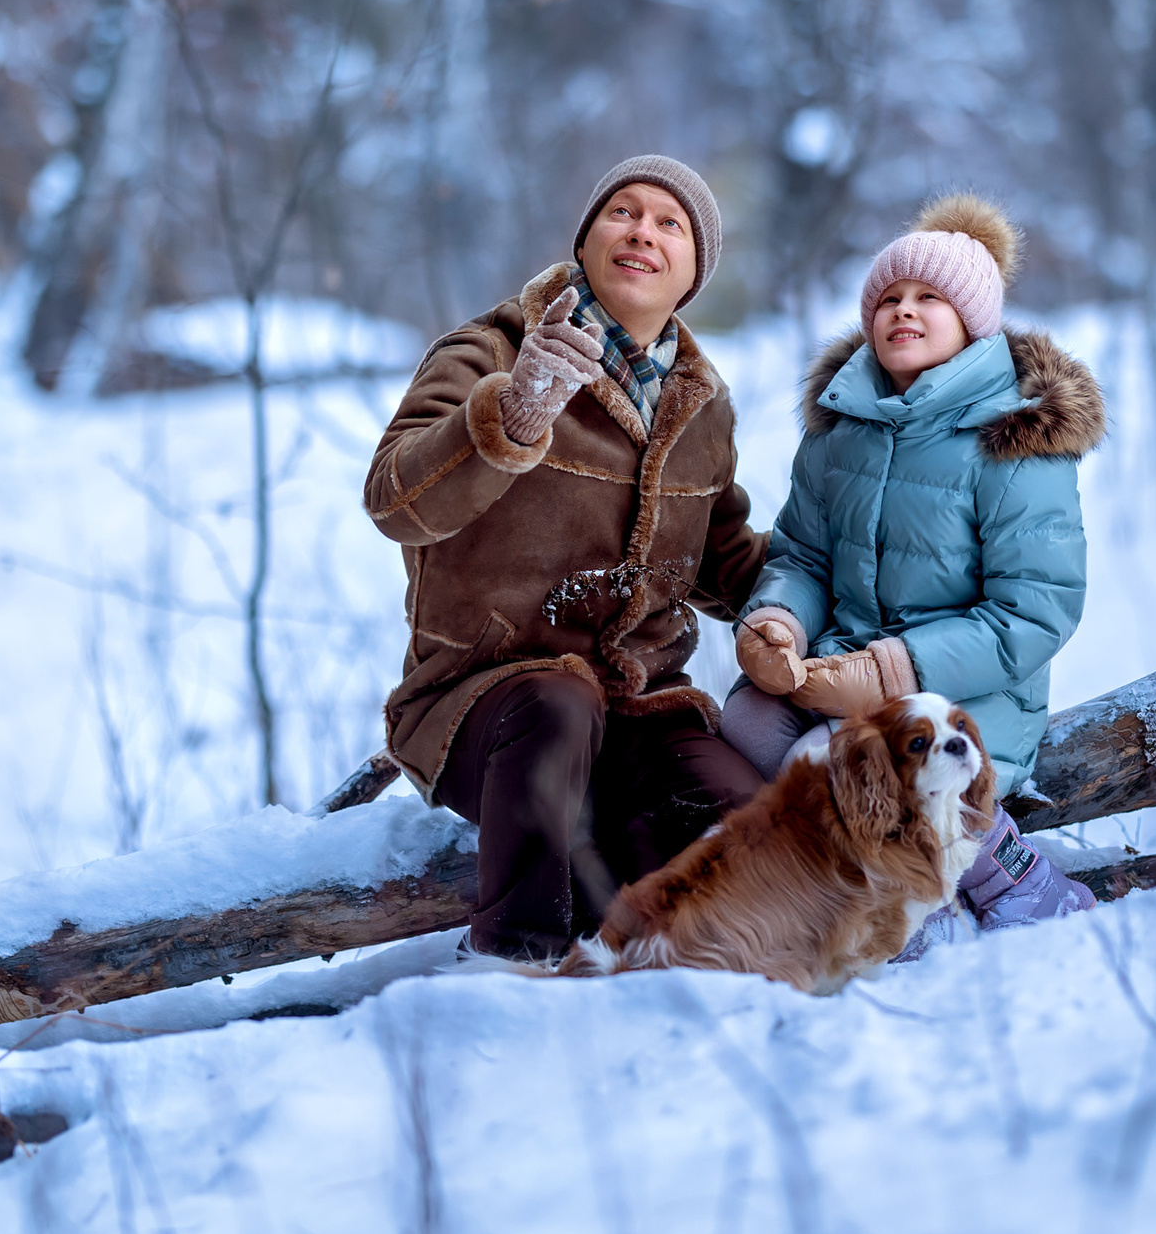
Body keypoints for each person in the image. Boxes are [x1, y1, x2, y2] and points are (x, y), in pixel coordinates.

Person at [366, 157, 767, 961]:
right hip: (483, 699)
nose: (643, 231)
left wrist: (835, 586)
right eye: (623, 211)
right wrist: (515, 413)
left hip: (641, 703)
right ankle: (514, 962)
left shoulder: (703, 404)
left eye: (670, 223)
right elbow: (392, 501)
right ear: (586, 240)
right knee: (558, 708)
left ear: (692, 273)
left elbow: (729, 564)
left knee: (738, 822)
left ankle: (692, 974)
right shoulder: (489, 350)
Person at [723, 193, 1103, 941]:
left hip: (966, 693)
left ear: (973, 321)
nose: (905, 309)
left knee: (830, 759)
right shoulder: (842, 430)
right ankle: (841, 869)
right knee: (745, 719)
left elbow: (1036, 610)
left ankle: (988, 878)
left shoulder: (1011, 437)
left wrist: (897, 670)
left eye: (931, 297)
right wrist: (779, 621)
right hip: (843, 671)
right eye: (889, 297)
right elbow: (801, 553)